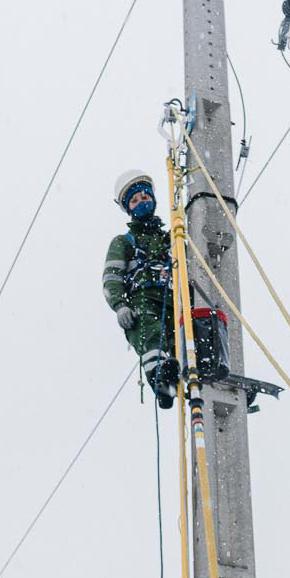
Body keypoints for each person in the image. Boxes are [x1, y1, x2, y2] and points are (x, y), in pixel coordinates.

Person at [103, 169, 179, 409]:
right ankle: (161, 381)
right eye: (134, 200)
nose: (141, 203)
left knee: (182, 340)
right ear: (128, 208)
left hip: (173, 300)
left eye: (144, 197)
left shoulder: (172, 239)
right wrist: (120, 305)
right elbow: (111, 276)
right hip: (142, 298)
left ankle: (187, 375)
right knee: (148, 330)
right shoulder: (124, 242)